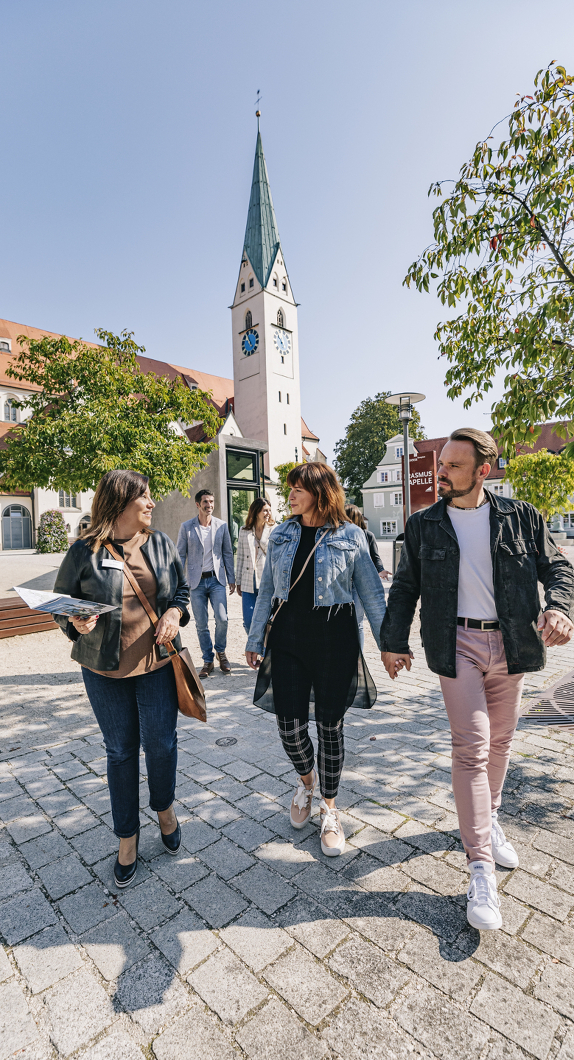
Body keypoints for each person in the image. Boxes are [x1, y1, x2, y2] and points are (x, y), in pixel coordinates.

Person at [380, 428, 574, 931]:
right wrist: (393, 640)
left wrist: (559, 608)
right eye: (441, 464)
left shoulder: (522, 517)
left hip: (510, 643)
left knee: (503, 742)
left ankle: (487, 822)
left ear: (482, 471)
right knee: (473, 746)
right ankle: (480, 867)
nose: (440, 473)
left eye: (453, 466)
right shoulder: (424, 525)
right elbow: (405, 587)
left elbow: (558, 568)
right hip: (456, 644)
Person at [53, 470, 190, 889]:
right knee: (120, 752)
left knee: (162, 745)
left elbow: (181, 591)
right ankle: (127, 837)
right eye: (144, 498)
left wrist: (173, 613)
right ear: (120, 503)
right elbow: (62, 606)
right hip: (103, 670)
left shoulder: (161, 542)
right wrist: (75, 623)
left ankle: (164, 809)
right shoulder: (83, 551)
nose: (151, 504)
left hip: (157, 664)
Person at [246, 462, 387, 857]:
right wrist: (255, 637)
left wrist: (389, 646)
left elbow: (374, 596)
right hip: (289, 639)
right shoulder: (280, 535)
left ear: (320, 493)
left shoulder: (352, 535)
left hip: (335, 638)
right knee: (289, 726)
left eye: (297, 489)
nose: (289, 495)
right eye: (289, 489)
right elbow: (267, 592)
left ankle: (329, 807)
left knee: (329, 727)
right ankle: (306, 782)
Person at [177, 489, 236, 679]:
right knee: (201, 624)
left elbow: (227, 553)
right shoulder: (186, 527)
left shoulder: (222, 526)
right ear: (197, 504)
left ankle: (221, 652)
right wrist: (179, 582)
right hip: (196, 583)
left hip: (217, 580)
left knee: (222, 618)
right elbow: (180, 555)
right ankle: (207, 660)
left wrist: (232, 578)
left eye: (211, 501)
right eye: (205, 502)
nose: (209, 505)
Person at [235, 497, 274, 634]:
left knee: (267, 619)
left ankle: (264, 653)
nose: (268, 513)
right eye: (264, 510)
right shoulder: (244, 530)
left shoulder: (274, 529)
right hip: (248, 581)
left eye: (269, 510)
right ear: (256, 511)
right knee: (248, 620)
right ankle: (255, 647)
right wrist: (238, 581)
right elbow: (240, 557)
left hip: (267, 580)